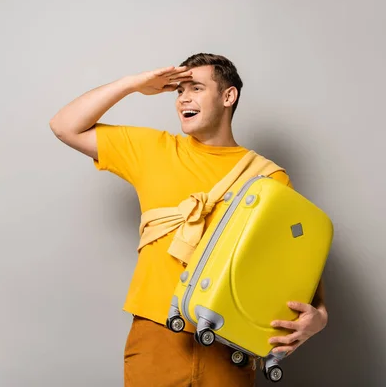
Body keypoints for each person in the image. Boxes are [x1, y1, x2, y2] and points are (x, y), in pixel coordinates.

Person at [49, 53, 328, 386]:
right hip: (157, 334)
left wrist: (320, 316)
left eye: (196, 88)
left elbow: (293, 268)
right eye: (179, 91)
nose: (184, 98)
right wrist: (132, 84)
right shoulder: (153, 149)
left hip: (231, 343)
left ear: (228, 97)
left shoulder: (269, 178)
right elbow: (64, 126)